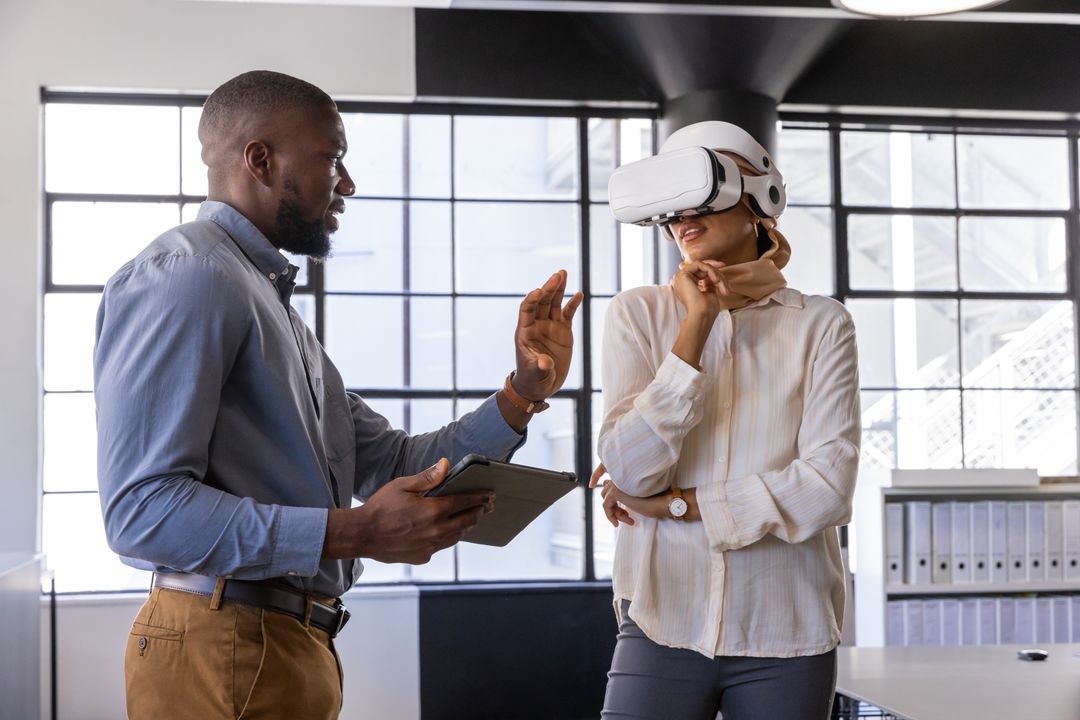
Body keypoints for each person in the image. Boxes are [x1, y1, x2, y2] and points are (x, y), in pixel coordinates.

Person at [94, 70, 583, 720]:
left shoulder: (273, 308)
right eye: (333, 158)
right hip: (226, 643)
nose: (347, 184)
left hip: (286, 642)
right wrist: (357, 530)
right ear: (261, 160)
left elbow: (392, 461)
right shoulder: (191, 279)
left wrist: (524, 392)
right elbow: (141, 512)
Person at [591, 121, 860, 720]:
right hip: (663, 620)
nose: (683, 216)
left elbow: (827, 488)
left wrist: (682, 504)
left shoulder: (822, 325)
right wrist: (695, 327)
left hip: (788, 631)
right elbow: (633, 474)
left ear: (761, 198)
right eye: (671, 205)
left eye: (704, 192)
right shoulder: (637, 315)